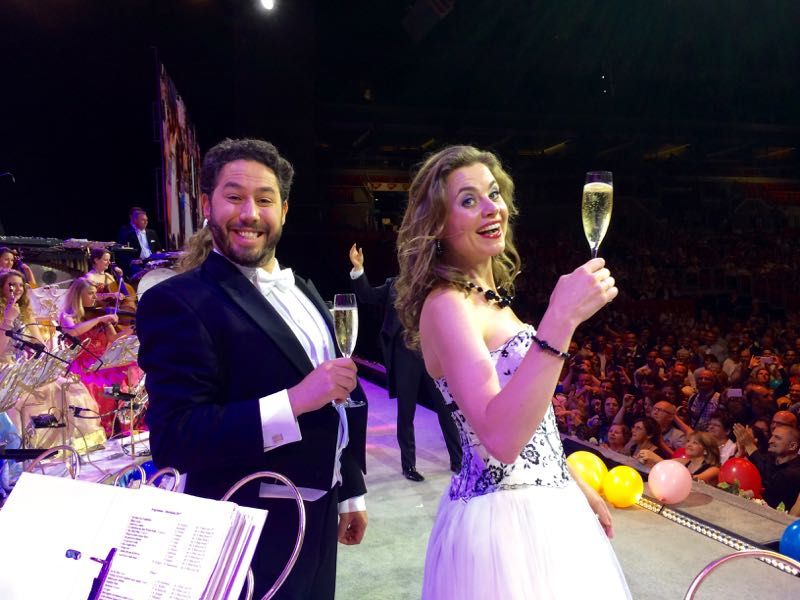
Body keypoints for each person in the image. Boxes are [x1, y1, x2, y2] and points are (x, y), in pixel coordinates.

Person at [394, 145, 630, 599]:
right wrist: (560, 319)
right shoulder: (447, 305)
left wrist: (569, 478)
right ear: (437, 223)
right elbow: (500, 439)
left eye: (494, 193)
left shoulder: (489, 299)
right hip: (503, 527)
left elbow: (529, 415)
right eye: (468, 200)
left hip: (549, 504)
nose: (491, 208)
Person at [137, 138, 368, 600]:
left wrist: (350, 491)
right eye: (234, 197)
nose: (249, 214)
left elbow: (338, 402)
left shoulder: (304, 290)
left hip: (320, 516)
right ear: (207, 205)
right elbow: (175, 438)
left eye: (264, 200)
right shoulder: (176, 301)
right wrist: (295, 401)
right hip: (246, 527)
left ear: (284, 210)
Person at [348, 243, 461, 481]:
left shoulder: (434, 284)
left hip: (431, 352)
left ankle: (458, 459)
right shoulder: (394, 285)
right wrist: (358, 269)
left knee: (445, 407)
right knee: (406, 411)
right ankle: (409, 465)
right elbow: (367, 296)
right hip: (404, 354)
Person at [58, 277, 139, 436]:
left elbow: (114, 339)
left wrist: (131, 329)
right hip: (83, 365)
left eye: (95, 293)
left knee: (126, 380)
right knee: (99, 388)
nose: (95, 297)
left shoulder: (100, 315)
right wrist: (99, 319)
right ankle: (103, 429)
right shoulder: (67, 316)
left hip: (103, 363)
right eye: (90, 293)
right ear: (78, 295)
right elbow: (73, 331)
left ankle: (121, 426)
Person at [638, 431, 721, 485]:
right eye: (688, 441)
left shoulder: (714, 470)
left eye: (695, 443)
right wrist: (646, 459)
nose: (689, 445)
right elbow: (663, 466)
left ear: (706, 450)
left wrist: (657, 459)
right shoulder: (683, 462)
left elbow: (691, 481)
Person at [116, 207, 163, 275]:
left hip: (152, 261)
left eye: (146, 220)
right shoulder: (128, 234)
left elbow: (158, 249)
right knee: (140, 272)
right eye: (143, 220)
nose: (146, 222)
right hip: (138, 264)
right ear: (135, 220)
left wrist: (158, 255)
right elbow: (122, 252)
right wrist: (133, 261)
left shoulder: (152, 233)